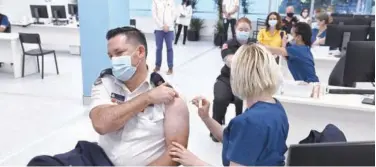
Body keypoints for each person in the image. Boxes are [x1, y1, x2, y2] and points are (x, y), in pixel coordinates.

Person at [168, 44, 289, 166]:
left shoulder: (249, 122)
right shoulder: (277, 109)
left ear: (240, 76)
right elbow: (234, 139)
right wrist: (206, 118)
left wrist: (194, 162)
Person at [89, 26, 189, 166]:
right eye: (111, 56)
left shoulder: (169, 92)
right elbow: (101, 124)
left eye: (119, 53)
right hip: (100, 161)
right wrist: (147, 98)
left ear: (140, 52)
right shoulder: (106, 82)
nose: (114, 61)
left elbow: (175, 153)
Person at [210, 17, 252, 142]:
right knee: (220, 98)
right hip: (227, 78)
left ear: (250, 31)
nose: (243, 31)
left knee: (242, 100)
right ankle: (216, 128)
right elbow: (230, 61)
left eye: (246, 29)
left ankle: (241, 130)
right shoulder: (227, 44)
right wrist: (249, 60)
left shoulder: (254, 44)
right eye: (241, 29)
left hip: (247, 81)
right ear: (235, 29)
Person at [152, 0, 176, 75]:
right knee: (158, 48)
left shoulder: (171, 1)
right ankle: (157, 66)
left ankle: (170, 67)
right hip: (158, 29)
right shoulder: (155, 1)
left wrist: (167, 25)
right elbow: (154, 15)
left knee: (169, 48)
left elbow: (174, 15)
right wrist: (162, 26)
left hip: (169, 29)